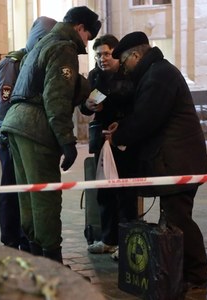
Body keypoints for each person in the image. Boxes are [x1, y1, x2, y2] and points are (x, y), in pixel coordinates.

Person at [106, 31, 207, 290]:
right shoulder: (156, 72)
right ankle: (186, 271)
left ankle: (196, 275)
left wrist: (120, 134)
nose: (125, 68)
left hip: (178, 163)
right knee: (175, 218)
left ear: (136, 55)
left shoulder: (158, 75)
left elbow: (147, 120)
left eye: (126, 60)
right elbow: (146, 116)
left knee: (178, 220)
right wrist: (124, 126)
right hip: (175, 161)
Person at [0, 6, 101, 263]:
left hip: (16, 126)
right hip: (36, 130)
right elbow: (55, 98)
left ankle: (37, 264)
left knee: (29, 197)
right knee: (45, 199)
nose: (86, 44)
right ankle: (53, 268)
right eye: (88, 37)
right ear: (79, 28)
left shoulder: (43, 44)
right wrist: (67, 141)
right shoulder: (64, 48)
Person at [0, 16, 57, 252]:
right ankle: (10, 237)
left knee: (25, 187)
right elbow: (2, 104)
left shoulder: (36, 60)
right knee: (11, 186)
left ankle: (24, 235)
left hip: (24, 133)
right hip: (8, 134)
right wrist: (5, 135)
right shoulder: (13, 63)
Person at [79, 35, 138, 255]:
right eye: (98, 55)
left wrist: (109, 105)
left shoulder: (129, 73)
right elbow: (84, 106)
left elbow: (132, 101)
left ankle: (127, 243)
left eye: (106, 53)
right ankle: (108, 239)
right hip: (101, 142)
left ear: (116, 53)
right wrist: (87, 104)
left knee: (126, 194)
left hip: (123, 140)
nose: (102, 59)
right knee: (104, 192)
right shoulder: (94, 76)